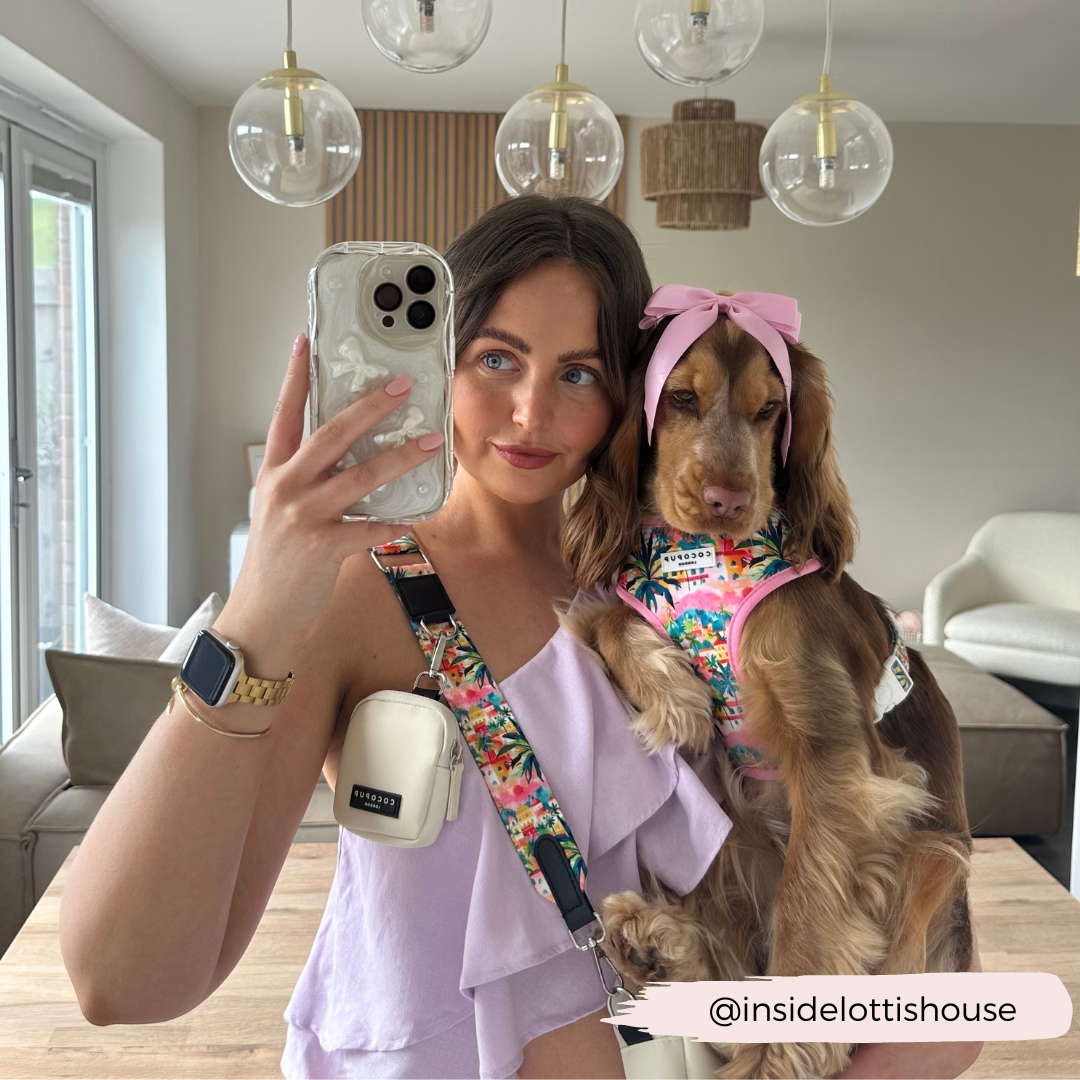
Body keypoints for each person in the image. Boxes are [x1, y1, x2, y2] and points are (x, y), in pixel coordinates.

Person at [59, 195, 982, 1080]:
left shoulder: (667, 608)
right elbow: (121, 979)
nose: (532, 413)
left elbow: (917, 976)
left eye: (578, 374)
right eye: (496, 359)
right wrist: (257, 609)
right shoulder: (363, 591)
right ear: (441, 362)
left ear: (634, 398)